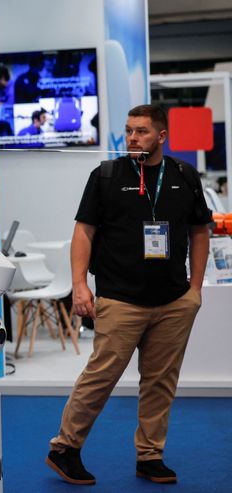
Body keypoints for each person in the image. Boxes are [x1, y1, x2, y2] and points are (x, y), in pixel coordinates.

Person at [46, 104, 211, 485]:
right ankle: (65, 449)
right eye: (129, 131)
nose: (133, 138)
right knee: (99, 377)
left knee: (160, 382)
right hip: (120, 299)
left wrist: (195, 290)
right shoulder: (106, 175)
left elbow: (200, 231)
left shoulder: (184, 176)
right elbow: (83, 232)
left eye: (141, 131)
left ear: (161, 136)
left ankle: (150, 456)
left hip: (173, 301)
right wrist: (80, 285)